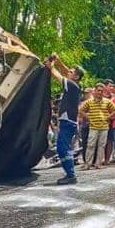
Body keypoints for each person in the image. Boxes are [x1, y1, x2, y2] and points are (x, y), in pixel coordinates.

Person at [45, 55, 83, 185]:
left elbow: (57, 76)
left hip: (68, 121)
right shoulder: (76, 85)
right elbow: (66, 70)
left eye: (72, 72)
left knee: (62, 148)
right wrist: (58, 60)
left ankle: (71, 175)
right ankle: (70, 174)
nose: (68, 72)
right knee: (64, 147)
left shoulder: (71, 85)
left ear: (76, 77)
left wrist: (51, 66)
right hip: (69, 121)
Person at [79, 86, 115, 169]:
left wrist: (108, 117)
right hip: (93, 127)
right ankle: (88, 163)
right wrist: (88, 117)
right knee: (90, 145)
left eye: (101, 91)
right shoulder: (89, 102)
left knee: (101, 146)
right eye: (98, 90)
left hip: (104, 127)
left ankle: (98, 163)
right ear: (95, 91)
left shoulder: (107, 101)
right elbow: (81, 110)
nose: (100, 92)